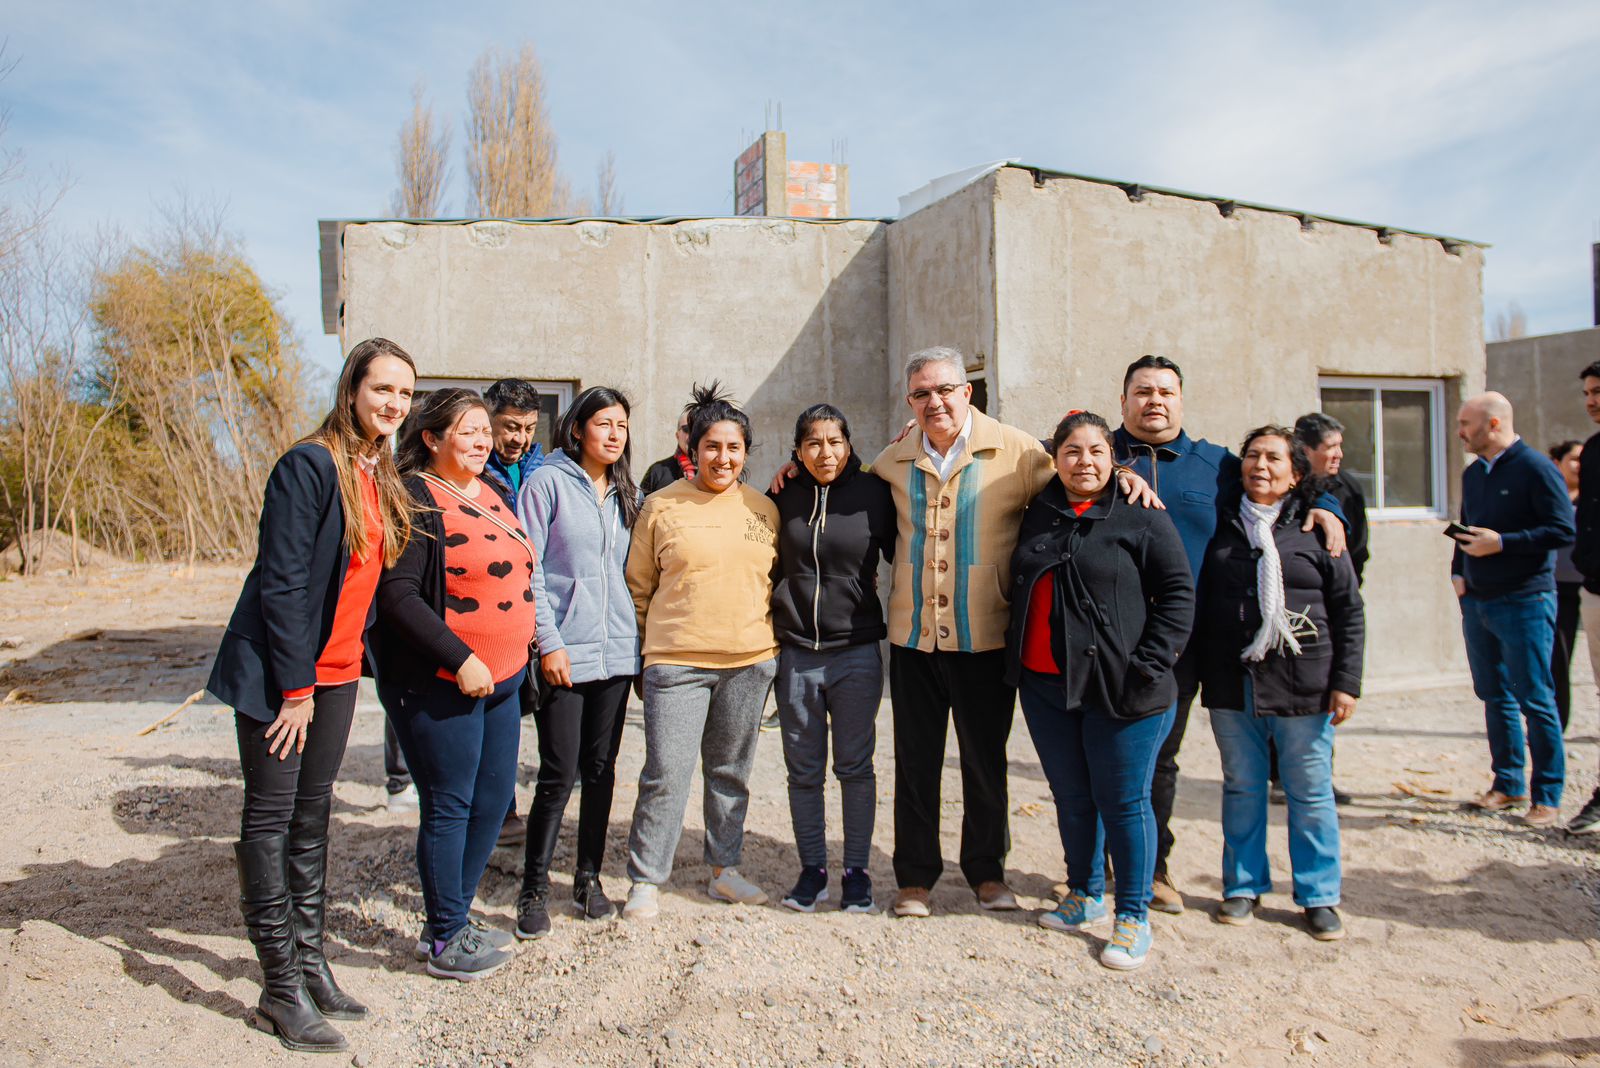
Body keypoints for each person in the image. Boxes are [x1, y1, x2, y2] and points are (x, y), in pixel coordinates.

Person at [207, 337, 417, 1053]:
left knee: (312, 817)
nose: (393, 404)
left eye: (404, 394)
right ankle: (278, 988)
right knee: (269, 820)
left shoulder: (378, 471)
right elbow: (285, 583)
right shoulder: (309, 465)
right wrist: (294, 689)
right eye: (382, 389)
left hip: (332, 678)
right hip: (282, 676)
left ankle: (309, 961)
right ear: (352, 388)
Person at [1112, 355, 1346, 915]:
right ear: (1123, 400)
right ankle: (1094, 870)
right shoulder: (1100, 453)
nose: (1154, 401)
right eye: (1142, 391)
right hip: (1109, 636)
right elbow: (1055, 450)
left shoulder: (1215, 464)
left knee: (1160, 760)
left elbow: (1279, 487)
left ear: (1182, 400)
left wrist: (1330, 507)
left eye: (1166, 392)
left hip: (1183, 644)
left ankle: (1153, 869)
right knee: (1102, 756)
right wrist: (1115, 467)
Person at [1006, 411, 1194, 970]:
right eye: (1071, 452)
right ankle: (1084, 892)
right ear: (1055, 457)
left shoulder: (1141, 513)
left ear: (1115, 457)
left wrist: (1149, 663)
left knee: (1124, 800)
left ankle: (1132, 914)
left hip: (1124, 689)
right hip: (1046, 686)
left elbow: (1179, 593)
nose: (1083, 462)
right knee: (1072, 795)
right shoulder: (1040, 507)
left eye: (1096, 451)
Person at [374, 388, 536, 980]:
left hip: (504, 676)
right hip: (443, 678)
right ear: (432, 438)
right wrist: (461, 656)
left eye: (483, 431)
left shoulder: (490, 492)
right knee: (450, 804)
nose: (481, 440)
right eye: (466, 431)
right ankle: (445, 939)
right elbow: (397, 597)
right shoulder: (415, 498)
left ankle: (451, 918)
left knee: (493, 802)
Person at [621, 383, 780, 920]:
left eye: (734, 448)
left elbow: (774, 582)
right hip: (677, 662)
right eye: (713, 446)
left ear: (746, 453)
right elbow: (637, 584)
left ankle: (724, 869)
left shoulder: (764, 510)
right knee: (666, 772)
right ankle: (646, 878)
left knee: (730, 771)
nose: (723, 458)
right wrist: (647, 655)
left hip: (748, 661)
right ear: (693, 449)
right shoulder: (660, 506)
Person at [1200, 426, 1364, 942]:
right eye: (1252, 456)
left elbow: (1349, 612)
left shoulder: (1317, 531)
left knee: (1310, 792)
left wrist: (1347, 683)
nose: (1260, 466)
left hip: (1305, 683)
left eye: (1273, 458)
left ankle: (1319, 896)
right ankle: (1243, 887)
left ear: (1296, 475)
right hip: (1233, 679)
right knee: (1243, 786)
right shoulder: (1220, 526)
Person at [512, 387, 643, 938]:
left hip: (616, 653)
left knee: (602, 771)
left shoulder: (626, 493)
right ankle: (533, 889)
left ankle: (588, 878)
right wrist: (549, 642)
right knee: (558, 773)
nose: (614, 435)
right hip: (565, 652)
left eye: (622, 426)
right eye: (604, 424)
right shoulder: (546, 483)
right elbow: (529, 567)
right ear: (577, 429)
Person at [768, 403, 896, 914]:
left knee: (854, 767)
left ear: (849, 444)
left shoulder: (873, 494)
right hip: (796, 652)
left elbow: (904, 552)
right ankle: (813, 869)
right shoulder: (781, 496)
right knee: (803, 771)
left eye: (835, 442)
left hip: (856, 652)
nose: (826, 452)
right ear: (797, 450)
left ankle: (856, 871)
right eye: (813, 443)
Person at [1451, 392, 1572, 829]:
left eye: (1467, 423)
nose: (1460, 431)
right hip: (1478, 601)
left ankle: (1548, 795)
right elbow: (1464, 525)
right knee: (1494, 695)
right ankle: (1508, 784)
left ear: (1495, 424)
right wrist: (1458, 572)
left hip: (1525, 600)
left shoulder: (1537, 469)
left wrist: (1503, 542)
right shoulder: (1473, 473)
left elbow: (1562, 529)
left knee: (1535, 698)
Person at [1569, 362, 1600, 835]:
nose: (1592, 400)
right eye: (1588, 393)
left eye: (1598, 391)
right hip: (1595, 588)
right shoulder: (1593, 450)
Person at [1296, 413, 1369, 583]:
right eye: (1331, 447)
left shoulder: (1350, 488)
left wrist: (1349, 584)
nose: (1339, 454)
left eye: (1339, 445)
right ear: (1306, 450)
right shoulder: (1285, 487)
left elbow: (1359, 547)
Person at [1548, 439, 1583, 734]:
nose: (1579, 465)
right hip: (1560, 587)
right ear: (1557, 463)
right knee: (1558, 659)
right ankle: (1557, 725)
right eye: (1573, 459)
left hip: (1591, 585)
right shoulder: (1550, 498)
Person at [640, 406, 695, 495]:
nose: (691, 435)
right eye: (686, 429)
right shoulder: (657, 471)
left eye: (695, 430)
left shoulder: (712, 470)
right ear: (677, 435)